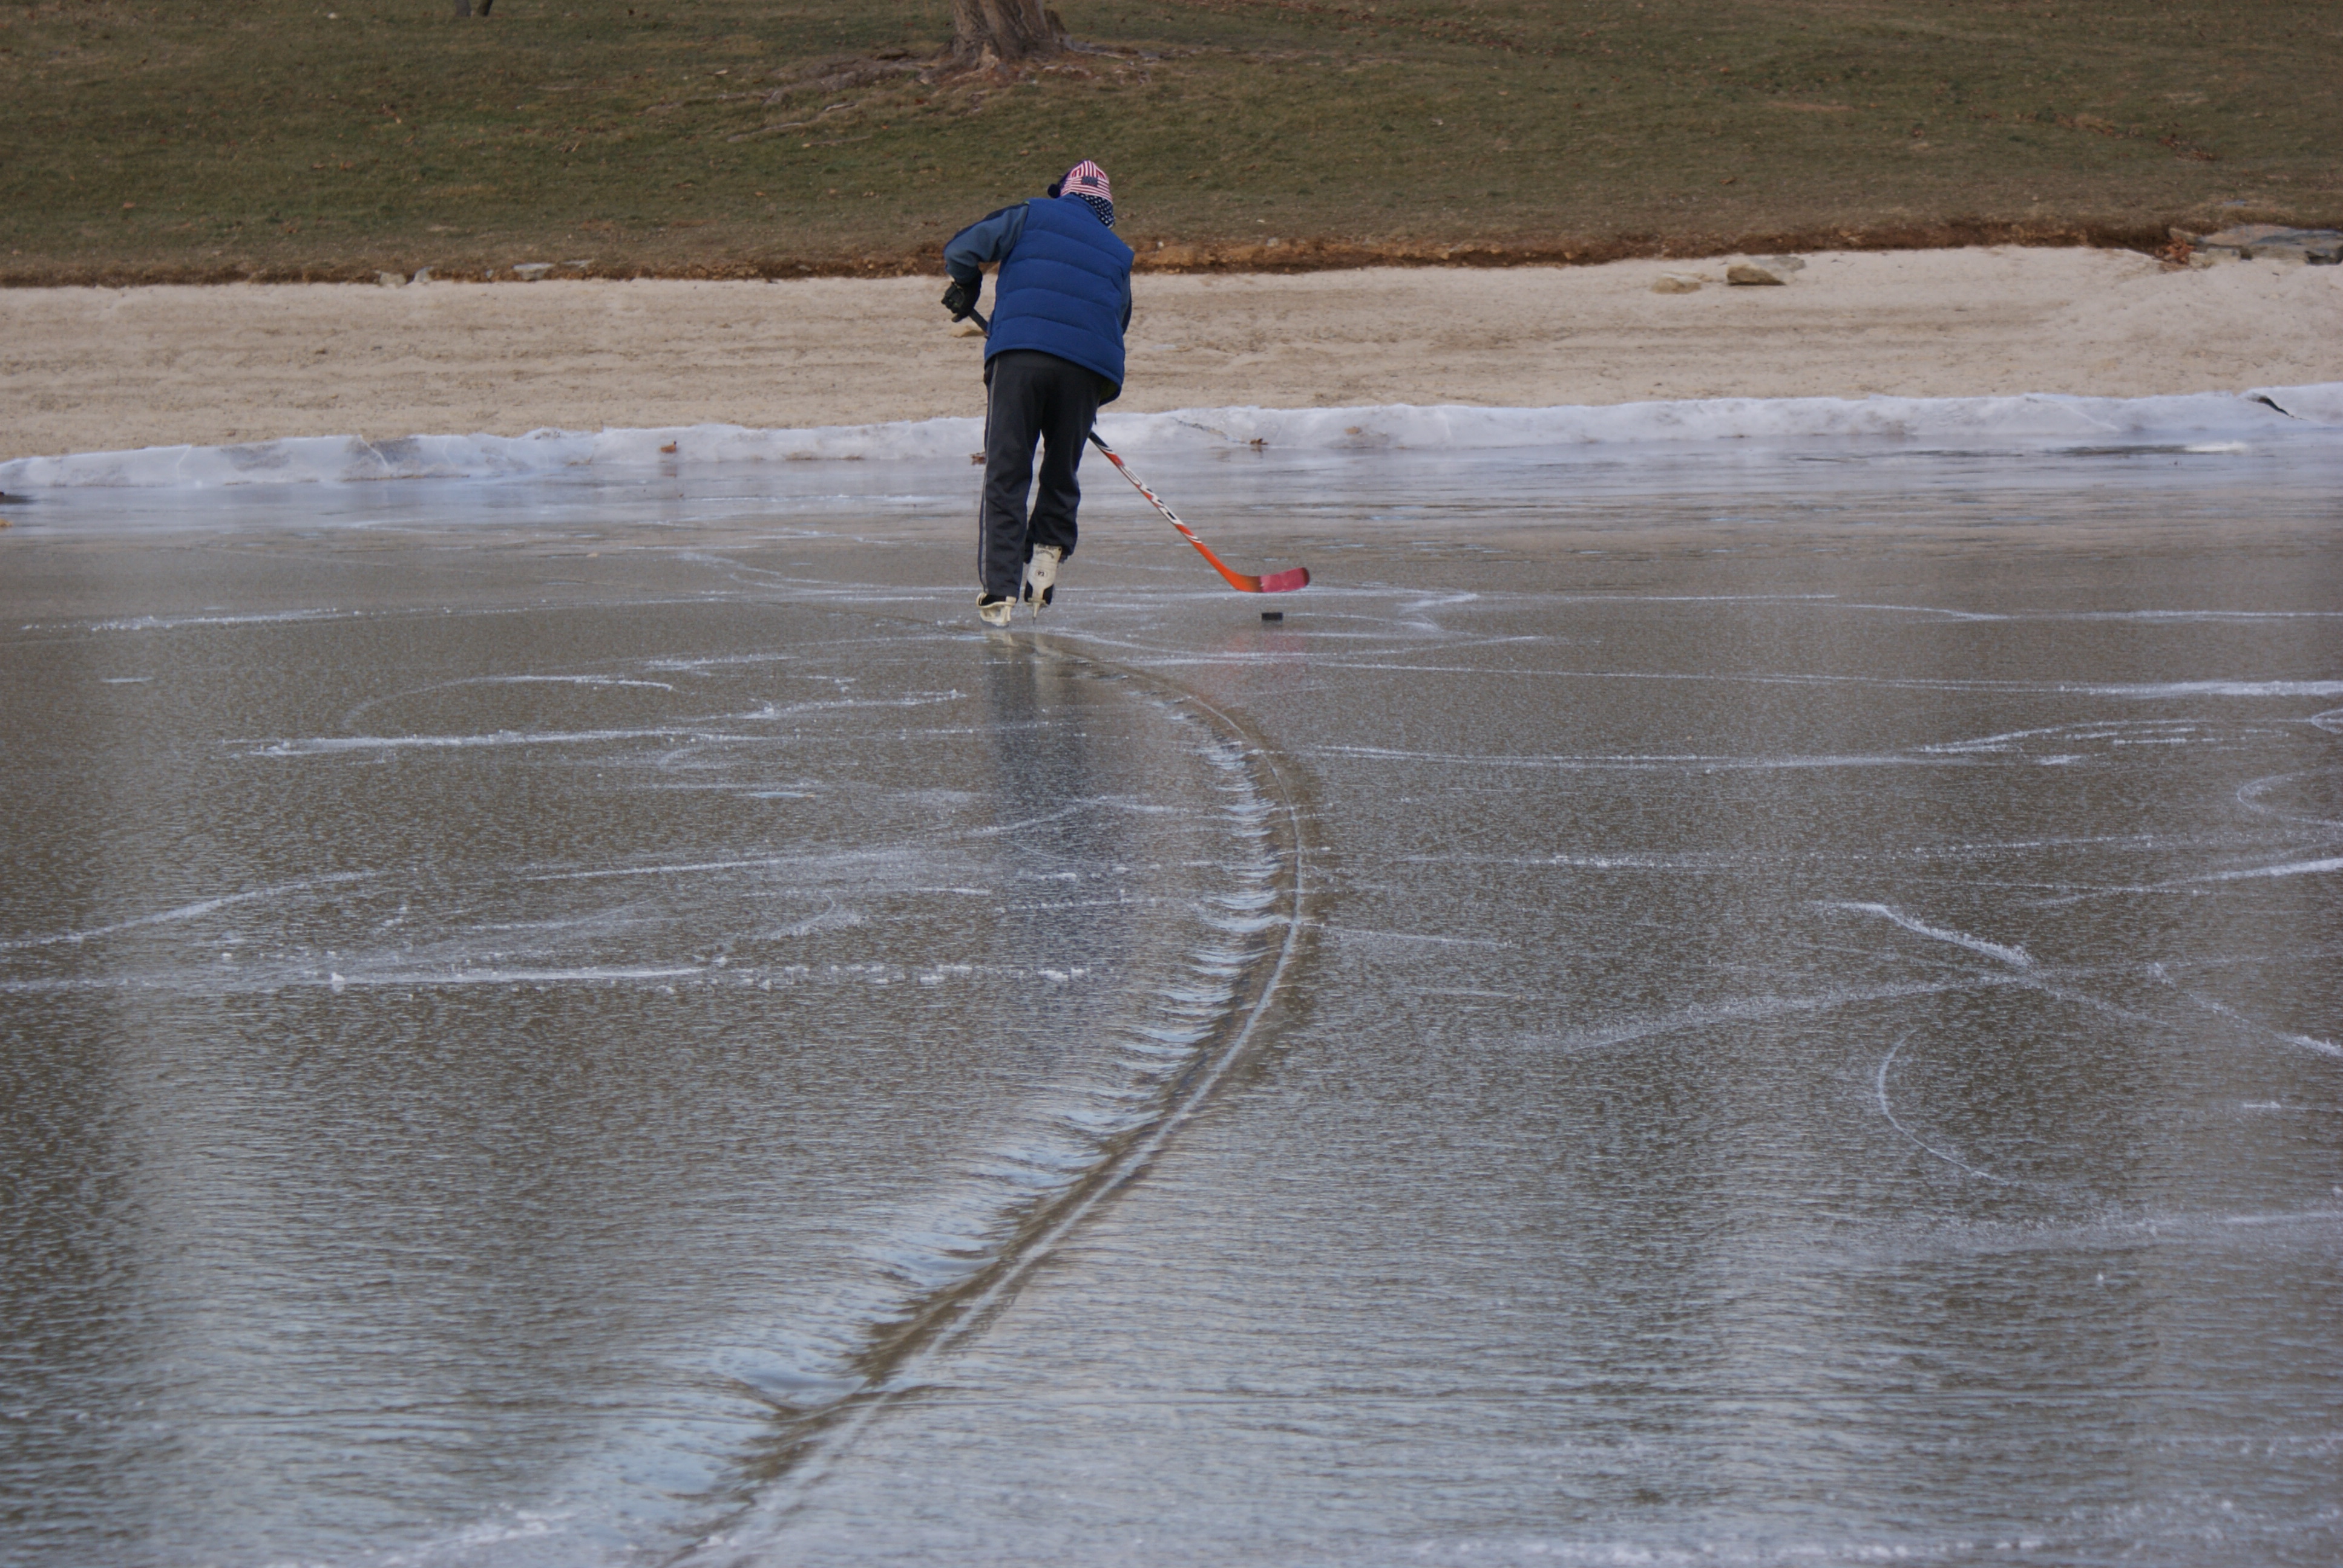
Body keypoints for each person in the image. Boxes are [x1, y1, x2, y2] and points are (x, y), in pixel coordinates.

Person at [942, 160, 1133, 626]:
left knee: (1008, 472)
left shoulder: (1030, 213)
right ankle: (1045, 566)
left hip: (1021, 357)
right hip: (1087, 370)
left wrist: (967, 285)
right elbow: (1119, 320)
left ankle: (1000, 592)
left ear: (1064, 193)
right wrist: (1085, 389)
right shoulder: (1118, 251)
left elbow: (961, 249)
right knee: (1061, 471)